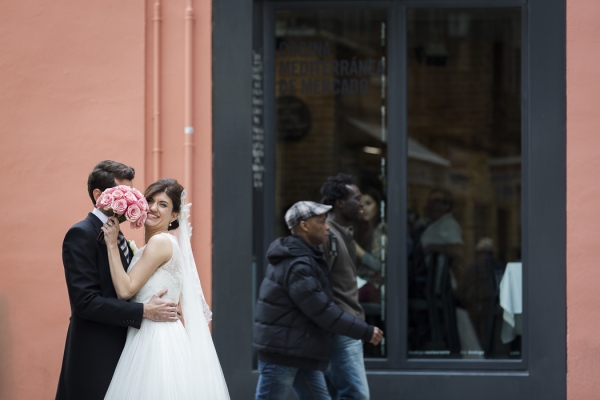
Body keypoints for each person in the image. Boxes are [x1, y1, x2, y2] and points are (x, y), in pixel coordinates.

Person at [56, 161, 177, 400]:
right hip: (95, 354)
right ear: (99, 195)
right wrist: (144, 311)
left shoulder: (119, 235)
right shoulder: (81, 234)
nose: (132, 200)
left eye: (133, 193)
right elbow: (86, 302)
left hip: (129, 351)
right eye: (124, 193)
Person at [102, 178, 229, 399]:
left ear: (173, 216)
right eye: (150, 200)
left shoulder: (160, 242)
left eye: (163, 205)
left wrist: (112, 245)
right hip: (151, 334)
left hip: (156, 341)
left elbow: (125, 290)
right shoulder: (160, 244)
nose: (152, 208)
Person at [253, 201, 383, 400]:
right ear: (304, 226)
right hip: (282, 353)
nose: (328, 226)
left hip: (299, 350)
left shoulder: (304, 257)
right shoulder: (297, 264)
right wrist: (364, 331)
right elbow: (323, 310)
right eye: (321, 221)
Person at [320, 173, 380, 400]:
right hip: (341, 328)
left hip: (347, 326)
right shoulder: (327, 236)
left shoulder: (343, 235)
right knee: (356, 395)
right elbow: (318, 286)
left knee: (340, 393)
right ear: (340, 203)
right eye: (358, 199)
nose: (362, 204)